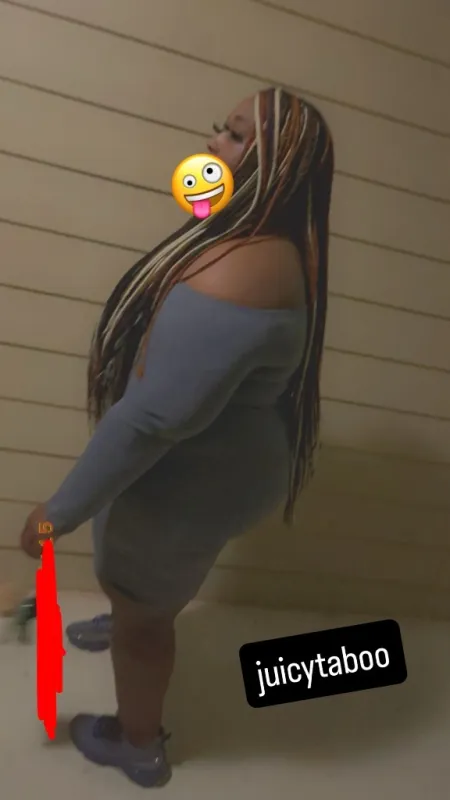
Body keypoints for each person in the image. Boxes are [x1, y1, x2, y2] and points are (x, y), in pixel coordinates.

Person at [20, 86, 334, 787]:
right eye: (220, 128)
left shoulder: (242, 271)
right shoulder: (270, 244)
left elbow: (153, 422)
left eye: (237, 137)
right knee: (142, 583)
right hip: (223, 467)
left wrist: (56, 513)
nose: (213, 145)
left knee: (145, 614)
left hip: (190, 482)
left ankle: (139, 741)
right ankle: (134, 609)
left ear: (279, 164)